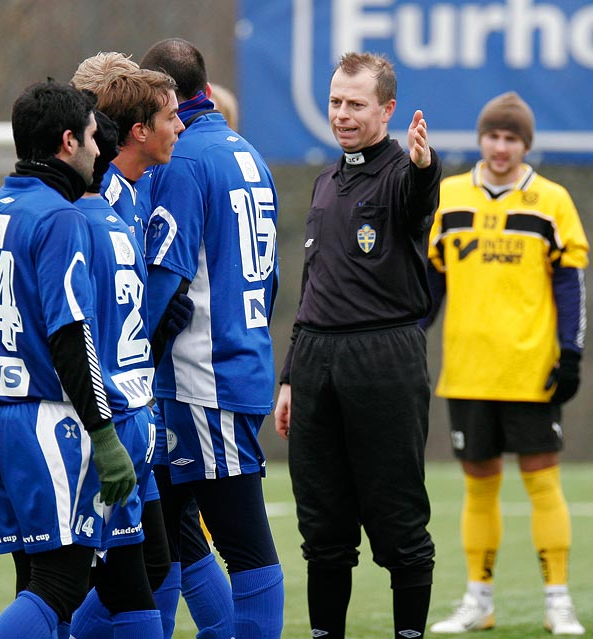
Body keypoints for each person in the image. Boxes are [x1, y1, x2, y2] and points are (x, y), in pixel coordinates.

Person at [0, 80, 135, 639]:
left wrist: (6, 360)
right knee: (63, 583)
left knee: (36, 585)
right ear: (69, 142)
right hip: (44, 424)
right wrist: (104, 435)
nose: (101, 151)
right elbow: (72, 337)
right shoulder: (61, 218)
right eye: (94, 139)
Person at [274, 52, 440, 639]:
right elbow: (313, 286)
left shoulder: (401, 172)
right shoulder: (326, 180)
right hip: (317, 363)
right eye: (336, 101)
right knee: (322, 527)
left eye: (356, 104)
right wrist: (291, 374)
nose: (342, 114)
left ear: (388, 109)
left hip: (382, 360)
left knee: (398, 521)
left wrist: (425, 166)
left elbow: (420, 198)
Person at [71, 51, 232, 639]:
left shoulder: (133, 193)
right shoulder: (92, 202)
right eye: (170, 117)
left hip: (134, 407)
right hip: (103, 413)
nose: (182, 128)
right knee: (80, 578)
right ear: (136, 128)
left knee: (153, 560)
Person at [423, 92, 588, 636]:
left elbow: (571, 283)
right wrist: (406, 335)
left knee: (543, 485)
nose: (500, 147)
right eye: (493, 136)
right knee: (479, 488)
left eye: (511, 138)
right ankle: (479, 600)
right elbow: (430, 286)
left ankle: (558, 599)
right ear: (481, 138)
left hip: (530, 371)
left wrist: (571, 354)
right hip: (468, 371)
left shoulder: (551, 200)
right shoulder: (447, 197)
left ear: (525, 145)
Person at [141, 37, 285, 639]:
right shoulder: (250, 155)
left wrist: (132, 351)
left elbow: (165, 281)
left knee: (244, 543)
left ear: (165, 95)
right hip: (235, 360)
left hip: (205, 376)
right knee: (162, 534)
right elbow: (270, 278)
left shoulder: (185, 159)